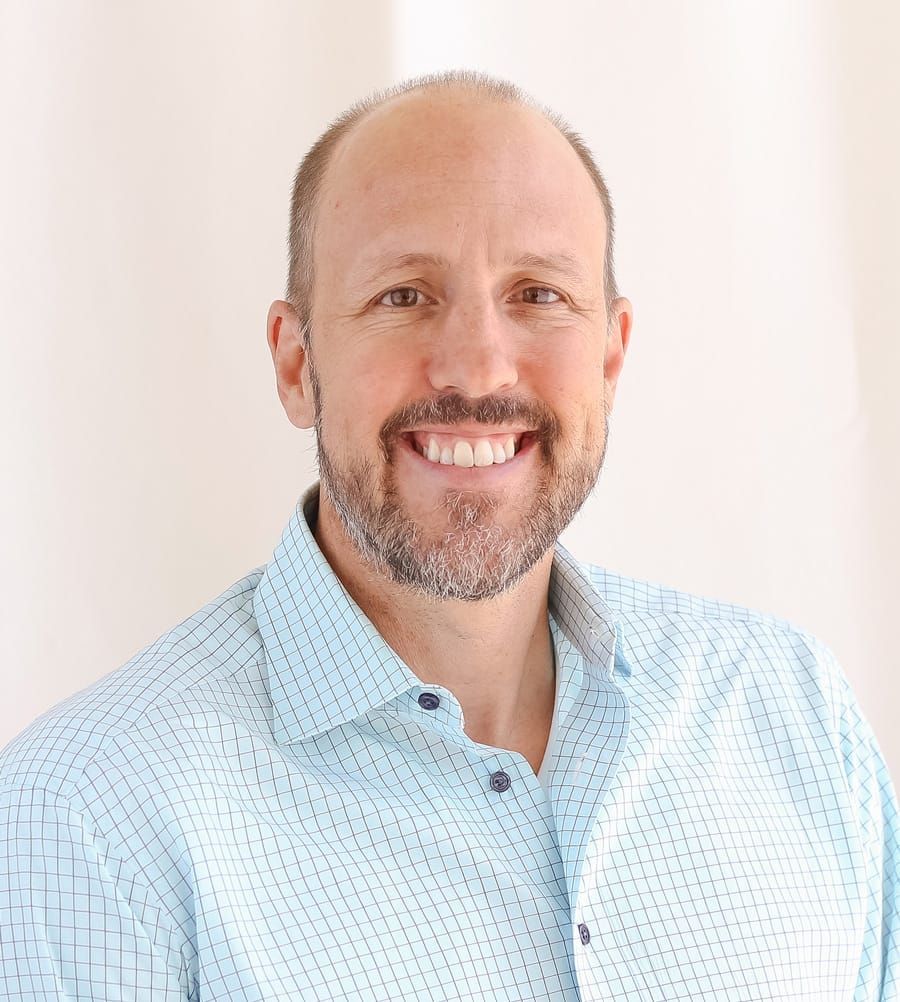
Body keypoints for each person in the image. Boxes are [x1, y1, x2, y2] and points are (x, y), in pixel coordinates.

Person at [1, 70, 897, 1002]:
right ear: (297, 363)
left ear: (610, 355)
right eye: (403, 296)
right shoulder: (84, 825)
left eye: (538, 293)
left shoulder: (793, 712)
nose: (476, 368)